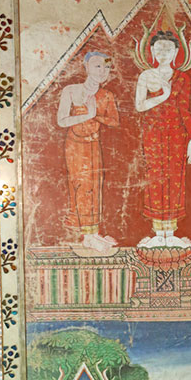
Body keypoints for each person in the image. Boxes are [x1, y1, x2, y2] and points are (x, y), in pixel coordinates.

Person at [135, 30, 191, 249]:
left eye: (168, 48)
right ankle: (157, 233)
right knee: (155, 177)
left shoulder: (182, 78)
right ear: (152, 51)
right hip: (153, 133)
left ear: (176, 52)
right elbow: (139, 106)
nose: (163, 52)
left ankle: (170, 234)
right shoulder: (146, 76)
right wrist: (163, 96)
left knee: (175, 178)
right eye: (159, 48)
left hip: (177, 134)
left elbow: (184, 110)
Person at [57, 51, 119, 254]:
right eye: (97, 66)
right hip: (76, 145)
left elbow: (114, 121)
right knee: (81, 185)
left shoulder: (106, 95)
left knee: (95, 186)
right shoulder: (71, 90)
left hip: (94, 144)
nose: (102, 71)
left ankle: (93, 233)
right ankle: (87, 237)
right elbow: (62, 121)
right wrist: (88, 115)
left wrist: (97, 117)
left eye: (106, 67)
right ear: (86, 67)